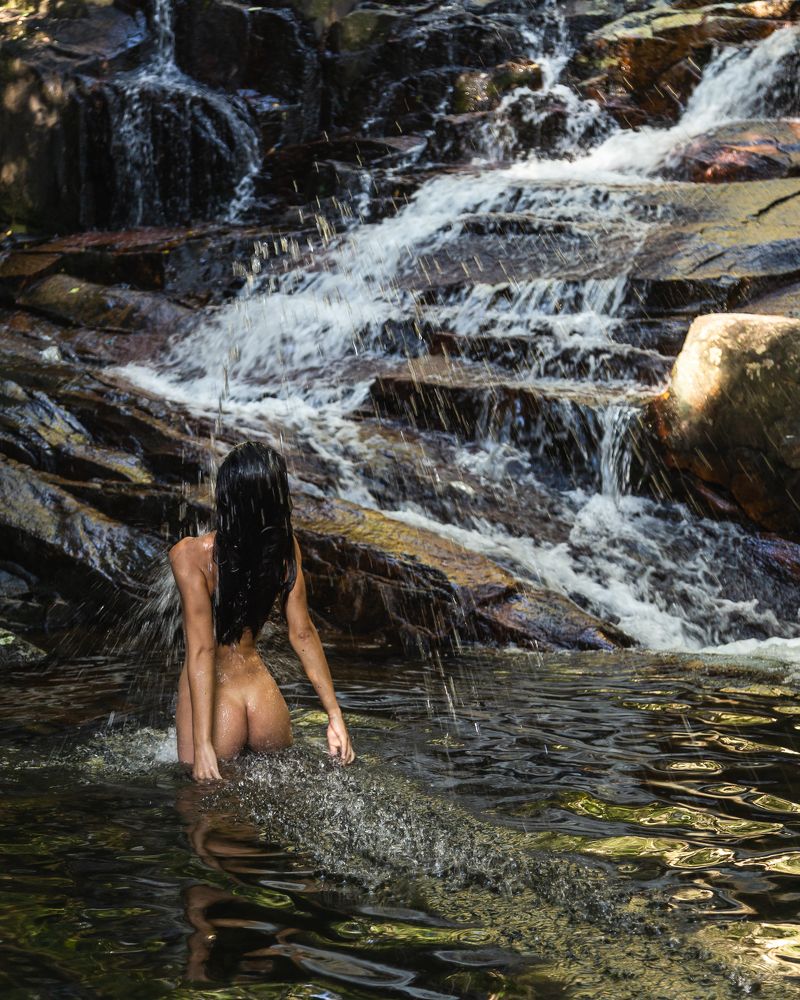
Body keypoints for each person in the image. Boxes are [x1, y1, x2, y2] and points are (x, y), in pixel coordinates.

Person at [169, 440, 355, 781]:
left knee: (204, 816)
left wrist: (205, 745)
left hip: (217, 704)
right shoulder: (284, 549)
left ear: (226, 496)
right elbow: (302, 632)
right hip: (263, 699)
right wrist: (335, 716)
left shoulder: (189, 555)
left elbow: (202, 649)